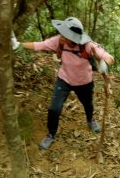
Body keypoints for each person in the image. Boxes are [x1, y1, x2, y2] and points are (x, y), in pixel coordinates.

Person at [12, 17, 114, 150]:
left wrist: (104, 63)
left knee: (88, 104)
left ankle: (90, 120)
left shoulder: (87, 45)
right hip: (64, 79)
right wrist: (19, 44)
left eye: (65, 35)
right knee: (54, 109)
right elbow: (40, 45)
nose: (61, 37)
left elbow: (108, 57)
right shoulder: (59, 41)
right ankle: (51, 134)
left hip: (84, 82)